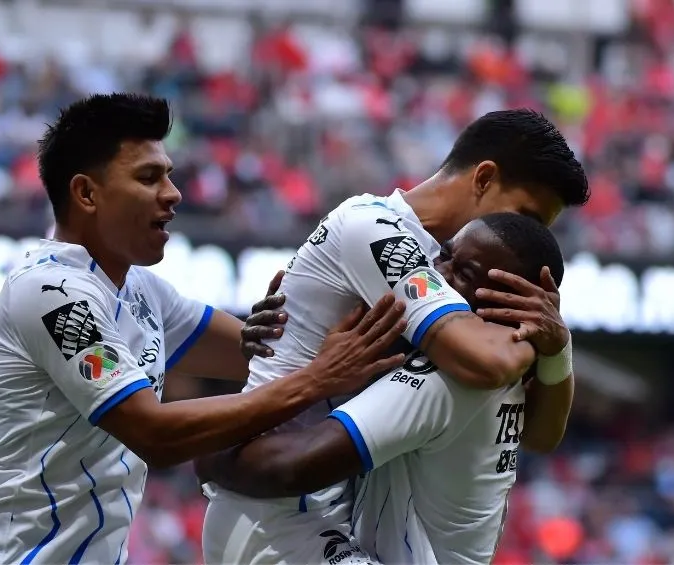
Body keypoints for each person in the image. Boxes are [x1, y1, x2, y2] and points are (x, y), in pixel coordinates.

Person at [0, 93, 408, 565]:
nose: (173, 193)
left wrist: (308, 312)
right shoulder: (51, 294)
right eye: (149, 177)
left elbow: (263, 356)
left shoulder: (143, 291)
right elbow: (156, 434)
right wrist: (315, 381)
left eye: (168, 174)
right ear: (86, 194)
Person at [199, 108, 588, 564]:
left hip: (326, 516)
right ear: (484, 177)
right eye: (527, 214)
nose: (529, 233)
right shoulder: (378, 228)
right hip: (272, 510)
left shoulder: (443, 265)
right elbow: (486, 363)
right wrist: (538, 333)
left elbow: (539, 435)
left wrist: (554, 345)